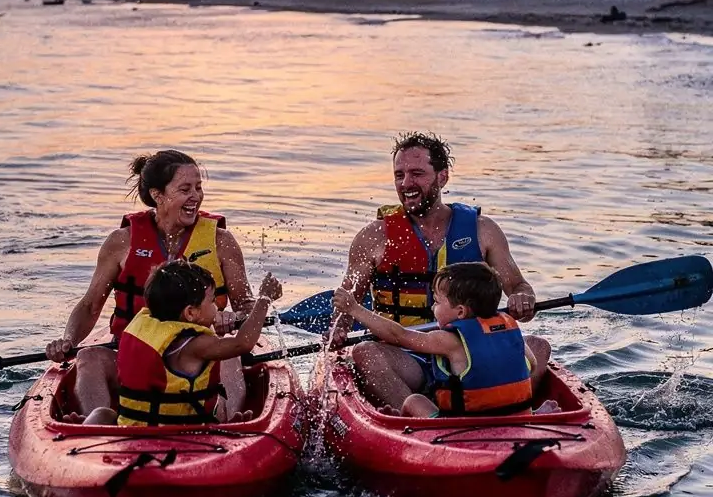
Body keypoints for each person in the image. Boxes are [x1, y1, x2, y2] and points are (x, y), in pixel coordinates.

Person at [334, 132, 546, 410]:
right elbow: (347, 303)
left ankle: (512, 406)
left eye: (417, 173)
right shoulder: (373, 237)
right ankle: (413, 420)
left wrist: (523, 298)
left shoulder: (483, 230)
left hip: (470, 350)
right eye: (399, 175)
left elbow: (518, 286)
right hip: (407, 355)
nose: (406, 184)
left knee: (538, 346)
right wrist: (339, 326)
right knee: (366, 353)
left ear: (442, 177)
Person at [46, 149, 256, 419]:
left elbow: (246, 304)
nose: (196, 196)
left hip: (197, 354)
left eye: (198, 188)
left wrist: (234, 317)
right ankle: (96, 429)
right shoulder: (122, 242)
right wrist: (68, 341)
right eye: (185, 189)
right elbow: (90, 305)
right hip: (134, 355)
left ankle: (230, 424)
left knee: (229, 357)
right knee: (88, 358)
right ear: (158, 195)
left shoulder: (221, 241)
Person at [334, 261, 549, 417]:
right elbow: (531, 366)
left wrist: (354, 309)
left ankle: (403, 424)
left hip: (462, 426)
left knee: (414, 401)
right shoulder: (510, 328)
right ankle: (533, 413)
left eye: (437, 302)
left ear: (461, 312)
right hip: (513, 416)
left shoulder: (449, 340)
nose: (432, 307)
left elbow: (398, 335)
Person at [83, 262, 282, 427]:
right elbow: (243, 343)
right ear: (190, 313)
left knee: (102, 414)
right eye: (212, 302)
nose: (216, 308)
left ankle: (77, 436)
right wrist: (263, 300)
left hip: (133, 429)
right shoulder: (196, 344)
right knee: (218, 403)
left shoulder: (144, 325)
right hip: (181, 434)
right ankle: (231, 425)